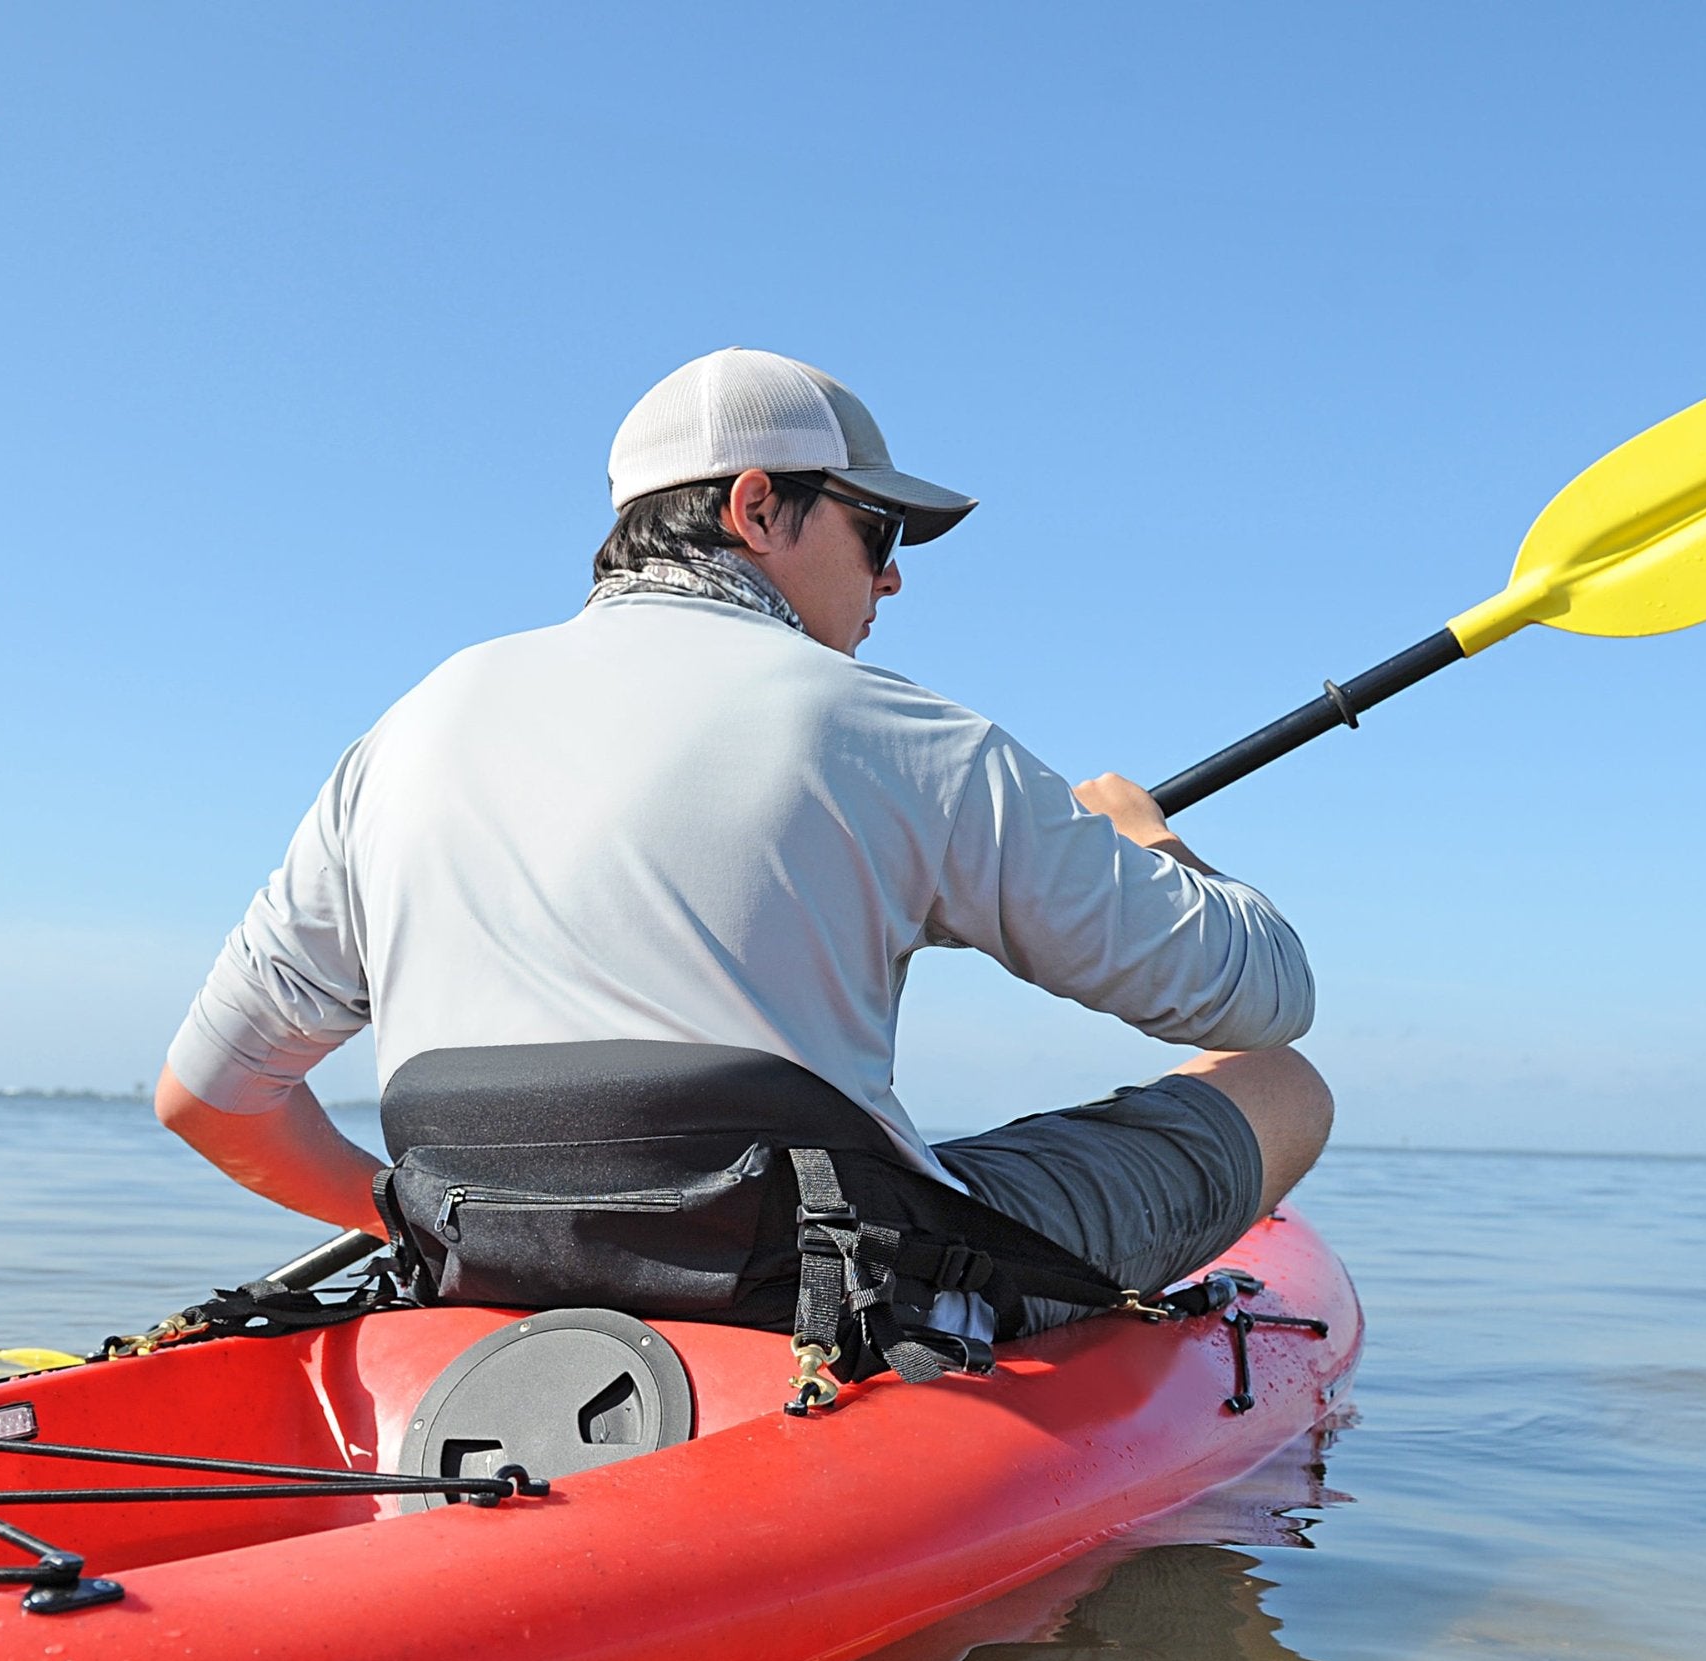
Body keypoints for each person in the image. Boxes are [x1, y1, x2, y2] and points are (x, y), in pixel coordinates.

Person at [157, 348, 1332, 1332]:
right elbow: (1260, 999)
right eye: (875, 532)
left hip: (489, 1275)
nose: (892, 578)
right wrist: (1152, 846)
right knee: (1280, 1085)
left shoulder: (408, 729)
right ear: (758, 505)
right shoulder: (896, 732)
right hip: (830, 1301)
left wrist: (428, 1215)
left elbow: (209, 1098)